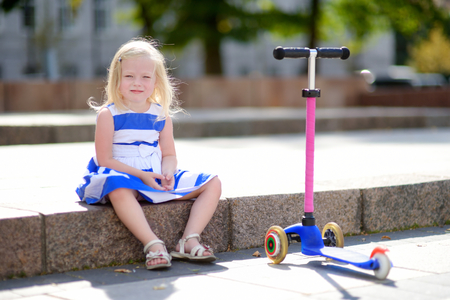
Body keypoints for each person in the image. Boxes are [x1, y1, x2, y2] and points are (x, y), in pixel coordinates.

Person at [76, 38, 221, 270]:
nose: (137, 83)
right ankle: (152, 244)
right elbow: (105, 159)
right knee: (119, 189)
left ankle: (189, 239)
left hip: (153, 176)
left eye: (146, 77)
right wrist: (140, 176)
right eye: (129, 76)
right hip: (123, 175)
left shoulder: (160, 114)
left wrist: (168, 171)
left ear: (156, 81)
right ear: (117, 79)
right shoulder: (108, 114)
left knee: (213, 182)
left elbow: (170, 154)